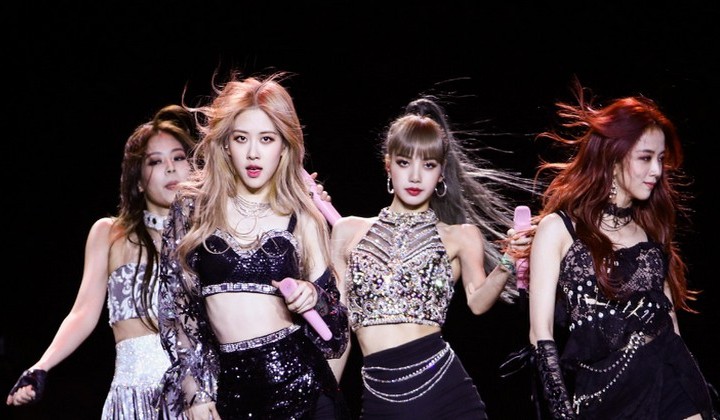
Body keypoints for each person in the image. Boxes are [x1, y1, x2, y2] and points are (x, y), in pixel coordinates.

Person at [156, 71, 351, 420]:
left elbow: (336, 330)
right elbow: (176, 310)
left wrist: (314, 296)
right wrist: (194, 390)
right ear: (225, 144)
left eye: (267, 139)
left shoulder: (302, 215)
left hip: (306, 388)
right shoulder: (193, 208)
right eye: (241, 138)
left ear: (284, 146)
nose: (253, 153)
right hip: (232, 394)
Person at [329, 96, 535, 419]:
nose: (415, 177)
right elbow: (337, 326)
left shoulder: (460, 236)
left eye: (428, 165)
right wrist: (325, 394)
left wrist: (509, 258)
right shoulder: (346, 231)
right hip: (379, 397)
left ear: (440, 173)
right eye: (404, 163)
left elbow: (478, 303)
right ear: (388, 164)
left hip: (445, 393)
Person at [527, 84, 716, 419]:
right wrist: (561, 411)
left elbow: (670, 323)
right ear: (613, 157)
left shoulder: (650, 232)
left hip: (669, 379)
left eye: (660, 159)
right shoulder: (558, 229)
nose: (656, 171)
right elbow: (540, 333)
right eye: (645, 158)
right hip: (602, 394)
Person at [6, 104, 198, 419]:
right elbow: (83, 312)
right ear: (138, 180)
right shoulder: (109, 234)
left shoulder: (207, 239)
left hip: (197, 396)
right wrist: (41, 366)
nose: (170, 168)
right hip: (131, 399)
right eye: (155, 161)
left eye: (178, 158)